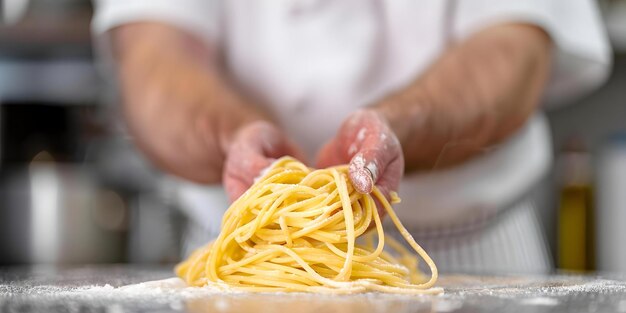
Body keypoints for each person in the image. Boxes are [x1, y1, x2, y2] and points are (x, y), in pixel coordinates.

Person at [92, 0, 611, 274]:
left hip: (472, 258)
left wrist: (399, 124)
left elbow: (513, 48)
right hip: (246, 255)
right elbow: (153, 59)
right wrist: (234, 137)